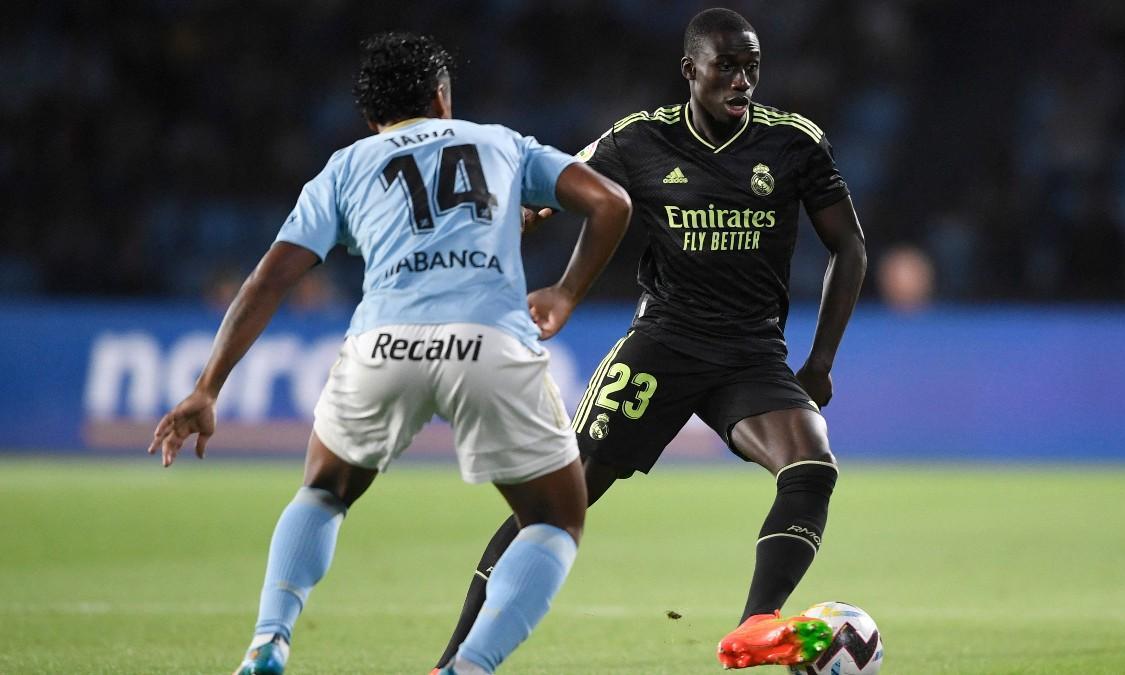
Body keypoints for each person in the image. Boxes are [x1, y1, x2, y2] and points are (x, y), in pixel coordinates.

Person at [147, 32, 630, 675]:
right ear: (441, 97)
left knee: (323, 491)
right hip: (489, 342)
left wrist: (208, 386)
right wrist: (566, 293)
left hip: (383, 344)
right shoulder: (501, 141)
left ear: (373, 117)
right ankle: (470, 666)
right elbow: (610, 202)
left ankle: (269, 640)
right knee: (556, 520)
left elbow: (271, 277)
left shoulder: (348, 163)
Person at [431, 8, 867, 672]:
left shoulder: (795, 142)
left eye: (752, 65)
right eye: (727, 66)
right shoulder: (637, 139)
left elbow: (850, 246)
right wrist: (522, 215)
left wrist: (821, 360)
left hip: (751, 354)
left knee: (811, 467)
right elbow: (553, 187)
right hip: (662, 345)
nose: (743, 80)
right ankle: (454, 659)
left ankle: (756, 623)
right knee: (558, 499)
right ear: (691, 70)